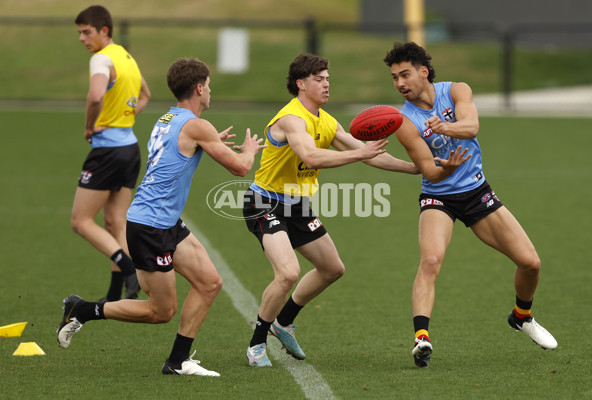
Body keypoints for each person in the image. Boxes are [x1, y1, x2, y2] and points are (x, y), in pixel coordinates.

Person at [57, 57, 266, 376]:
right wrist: (249, 149)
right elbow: (240, 167)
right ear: (199, 88)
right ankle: (83, 309)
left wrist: (210, 143)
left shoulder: (169, 118)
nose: (210, 91)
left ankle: (178, 361)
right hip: (150, 226)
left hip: (164, 222)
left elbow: (174, 150)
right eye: (208, 86)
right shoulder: (197, 125)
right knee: (160, 311)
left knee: (209, 283)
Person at [382, 42, 557, 368]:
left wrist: (444, 127)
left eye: (405, 75)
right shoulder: (403, 121)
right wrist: (445, 167)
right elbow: (430, 171)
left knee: (531, 262)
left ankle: (522, 316)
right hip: (438, 195)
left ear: (423, 72)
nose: (400, 84)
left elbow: (472, 126)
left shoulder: (457, 90)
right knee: (431, 259)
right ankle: (421, 338)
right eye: (394, 78)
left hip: (477, 192)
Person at [243, 53, 420, 367]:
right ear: (301, 84)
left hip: (298, 205)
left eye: (327, 78)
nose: (327, 84)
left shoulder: (327, 121)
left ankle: (282, 324)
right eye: (319, 79)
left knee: (332, 269)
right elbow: (311, 156)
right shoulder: (291, 119)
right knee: (287, 273)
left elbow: (368, 155)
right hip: (264, 203)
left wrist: (418, 168)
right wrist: (361, 153)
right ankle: (257, 344)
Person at [71, 5, 151, 302]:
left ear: (104, 31)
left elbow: (95, 95)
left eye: (86, 31)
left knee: (80, 221)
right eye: (79, 32)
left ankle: (129, 267)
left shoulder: (101, 59)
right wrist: (126, 117)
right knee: (115, 222)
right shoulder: (126, 57)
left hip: (107, 150)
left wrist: (90, 126)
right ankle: (117, 294)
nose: (81, 38)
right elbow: (145, 95)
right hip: (129, 148)